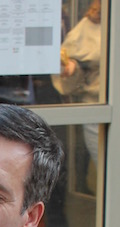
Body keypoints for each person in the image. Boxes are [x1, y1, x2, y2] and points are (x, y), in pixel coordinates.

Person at [52, 0, 101, 166]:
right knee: (109, 167)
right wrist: (72, 65)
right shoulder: (88, 28)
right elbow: (70, 58)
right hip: (99, 107)